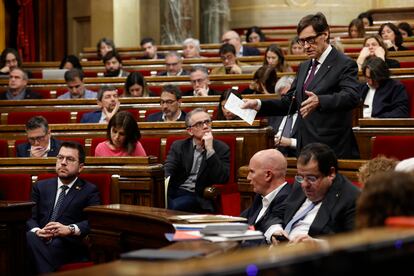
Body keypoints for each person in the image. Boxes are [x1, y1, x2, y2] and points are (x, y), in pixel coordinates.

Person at [242, 12, 361, 159]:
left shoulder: (344, 63)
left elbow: (352, 96)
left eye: (310, 40)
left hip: (332, 148)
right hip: (304, 147)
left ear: (325, 34)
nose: (306, 46)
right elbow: (288, 102)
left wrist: (320, 100)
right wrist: (259, 104)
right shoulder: (304, 66)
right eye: (302, 41)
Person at [26, 141, 101, 274]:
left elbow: (94, 221)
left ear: (80, 167)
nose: (63, 162)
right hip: (40, 238)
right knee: (30, 237)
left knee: (37, 247)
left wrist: (69, 229)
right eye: (60, 158)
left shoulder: (89, 190)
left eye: (70, 159)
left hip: (67, 243)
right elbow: (29, 217)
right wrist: (38, 231)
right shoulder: (41, 186)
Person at [269, 143, 361, 245]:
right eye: (301, 177)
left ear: (331, 173)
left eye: (312, 178)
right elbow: (275, 213)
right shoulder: (300, 184)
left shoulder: (351, 198)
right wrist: (275, 231)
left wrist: (316, 244)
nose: (304, 184)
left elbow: (355, 243)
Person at [164, 108, 230, 212]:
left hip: (199, 195)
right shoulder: (179, 146)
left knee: (175, 206)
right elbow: (168, 169)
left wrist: (210, 150)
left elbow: (222, 178)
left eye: (207, 122)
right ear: (190, 131)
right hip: (176, 191)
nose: (205, 126)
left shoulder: (221, 148)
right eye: (199, 124)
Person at [240, 149, 292, 242]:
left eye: (252, 172)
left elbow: (267, 233)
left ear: (268, 175)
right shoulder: (260, 196)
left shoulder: (287, 200)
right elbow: (240, 221)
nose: (248, 177)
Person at [269, 75, 298, 157]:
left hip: (297, 158)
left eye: (289, 95)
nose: (286, 98)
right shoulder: (274, 114)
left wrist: (290, 142)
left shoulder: (307, 114)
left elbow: (312, 142)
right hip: (273, 157)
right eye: (283, 96)